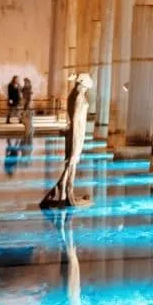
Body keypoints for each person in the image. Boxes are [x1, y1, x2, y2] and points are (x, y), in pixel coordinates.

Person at [42, 73, 92, 209]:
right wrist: (76, 138)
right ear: (82, 85)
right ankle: (64, 189)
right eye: (85, 87)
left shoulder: (73, 95)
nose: (86, 89)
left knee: (71, 161)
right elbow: (76, 118)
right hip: (77, 132)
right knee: (72, 160)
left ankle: (65, 190)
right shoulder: (79, 98)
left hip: (74, 132)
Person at [20, 78, 36, 144]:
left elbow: (29, 99)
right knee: (28, 125)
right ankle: (27, 139)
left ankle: (27, 139)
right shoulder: (25, 88)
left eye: (26, 82)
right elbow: (23, 94)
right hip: (26, 105)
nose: (25, 83)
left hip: (28, 106)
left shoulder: (29, 89)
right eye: (24, 82)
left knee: (29, 125)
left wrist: (26, 108)